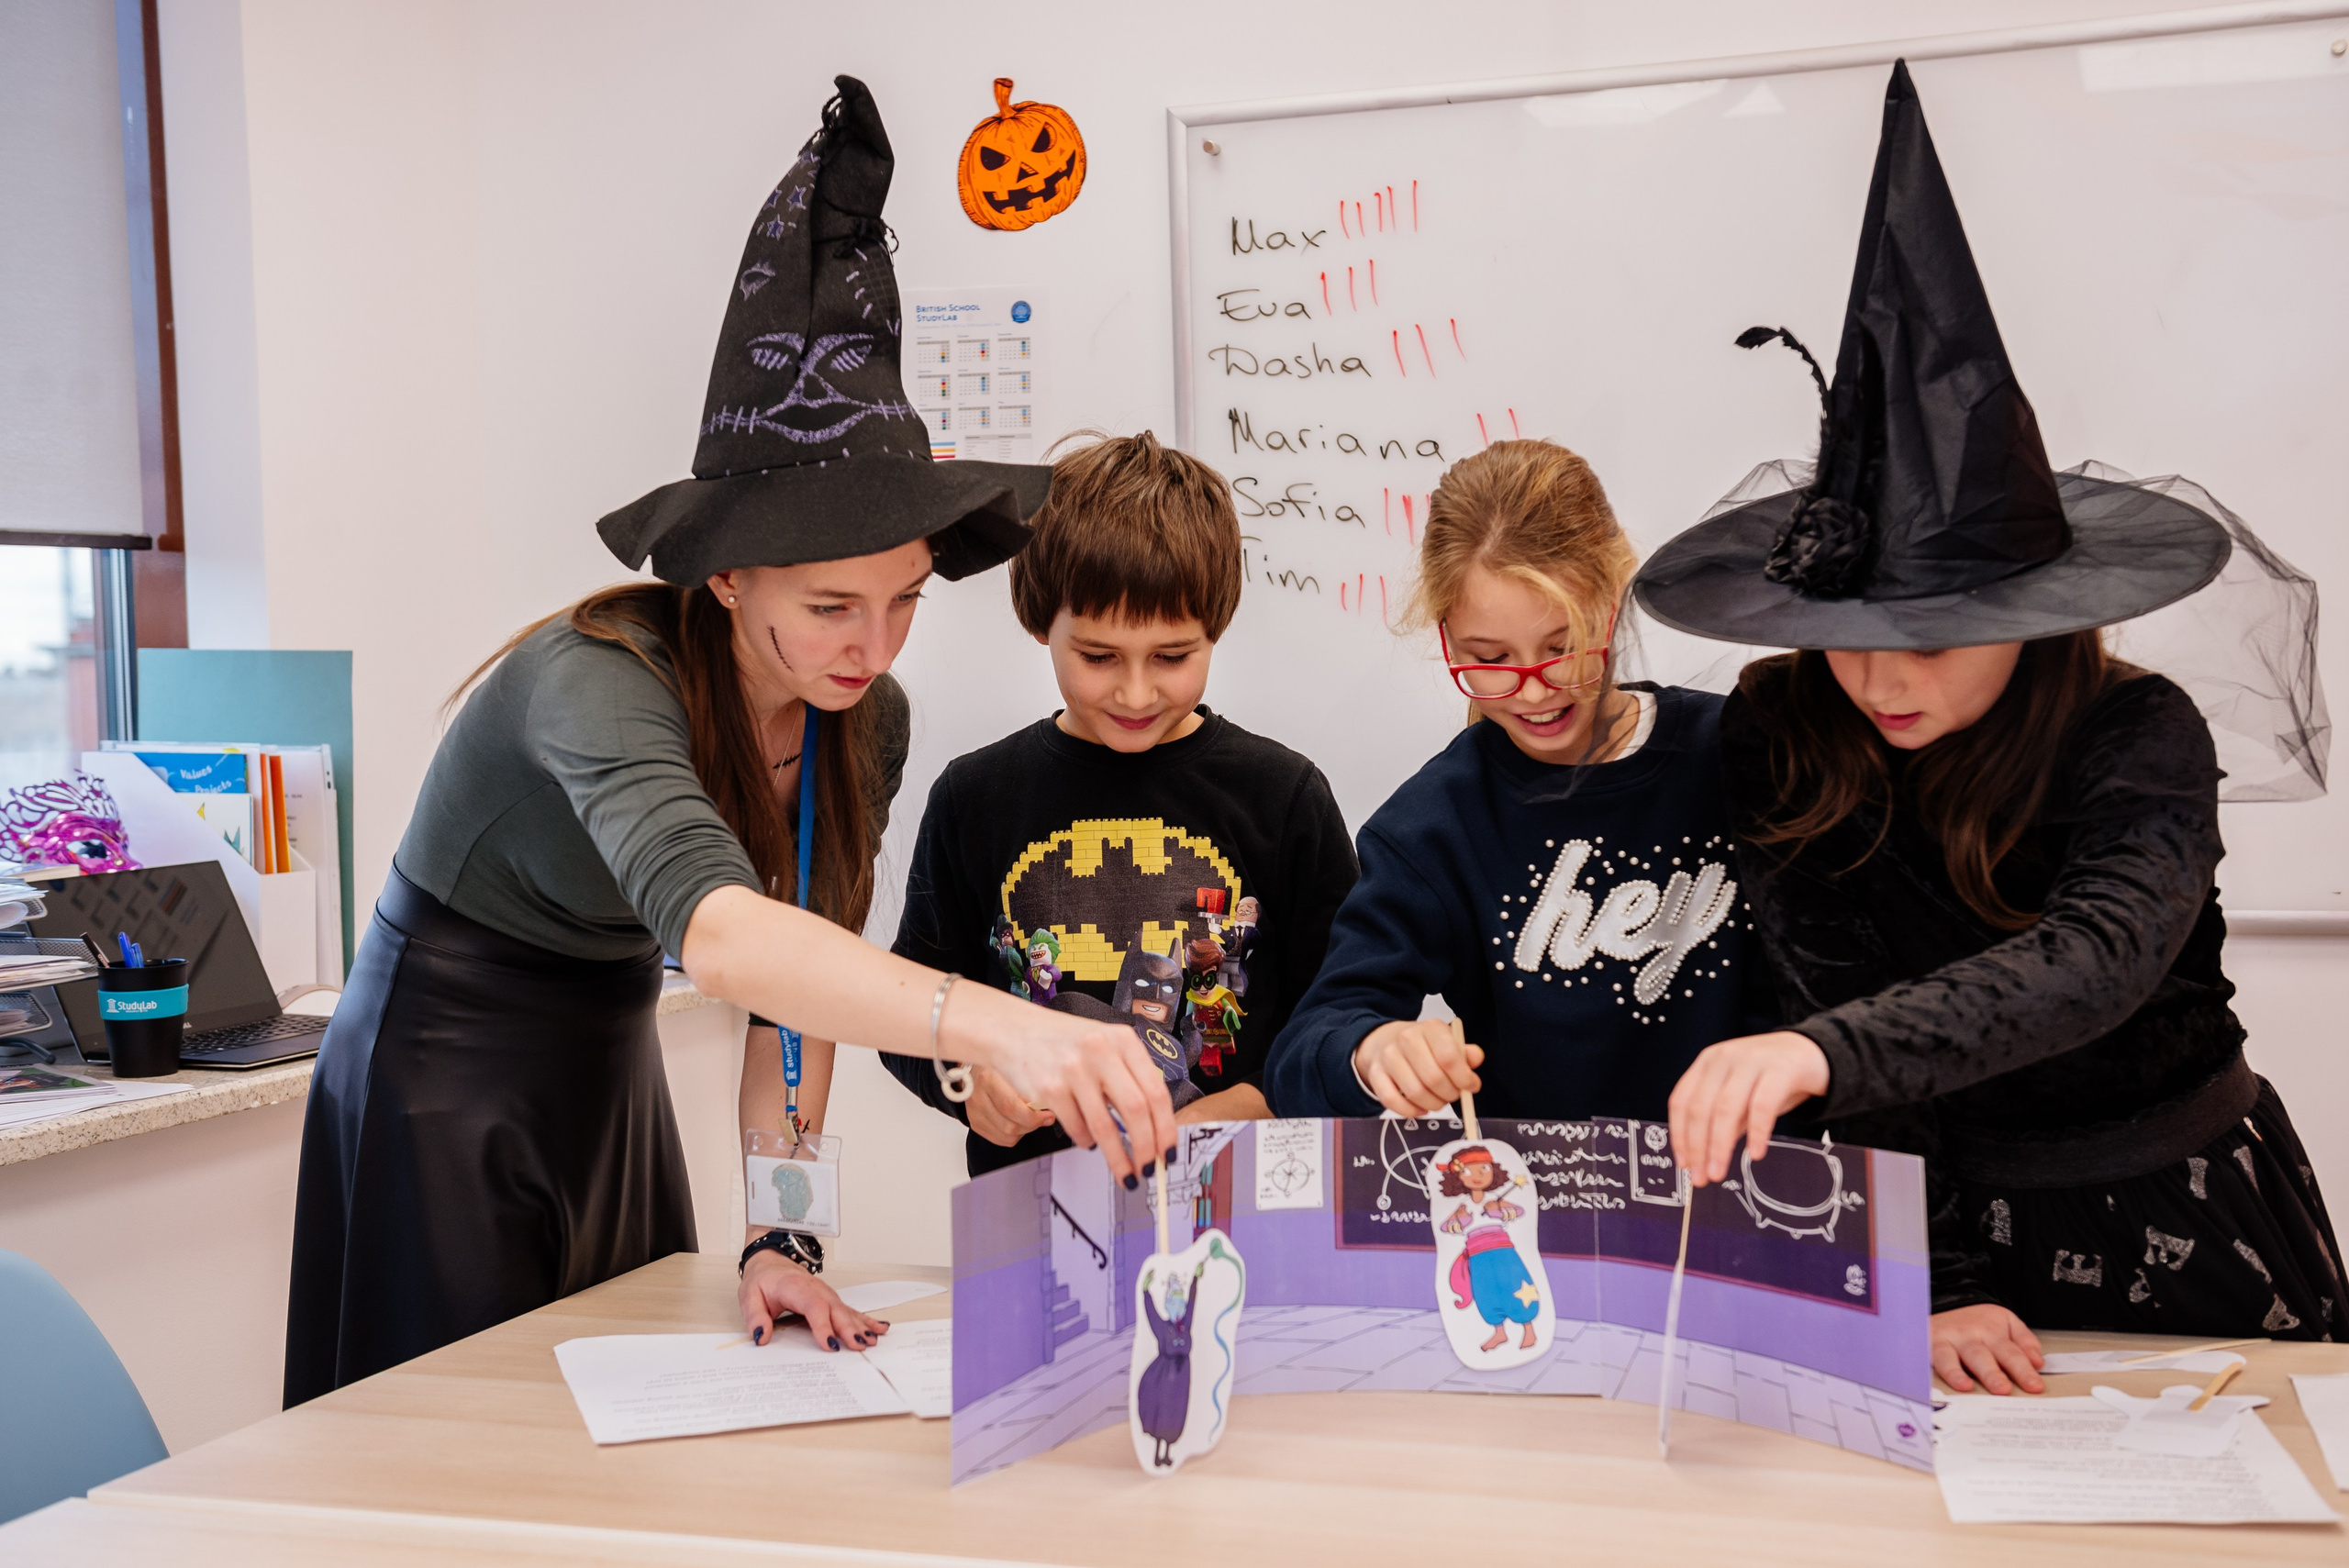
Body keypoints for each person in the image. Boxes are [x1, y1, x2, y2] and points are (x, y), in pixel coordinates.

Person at [284, 79, 1174, 1407]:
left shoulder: (859, 718)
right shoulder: (592, 678)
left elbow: (790, 1004)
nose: (871, 647)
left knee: (620, 1395)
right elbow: (722, 936)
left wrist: (783, 1237)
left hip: (607, 1046)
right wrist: (1004, 1028)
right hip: (441, 1059)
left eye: (903, 600)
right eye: (828, 606)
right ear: (725, 575)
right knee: (452, 1424)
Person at [1637, 61, 2344, 1396]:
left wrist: (1817, 1056)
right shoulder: (1785, 727)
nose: (1876, 681)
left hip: (2184, 1206)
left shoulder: (2136, 728)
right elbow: (1829, 980)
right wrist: (1940, 1274)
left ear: (2031, 615)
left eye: (1930, 640)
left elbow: (2096, 961)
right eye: (1844, 637)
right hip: (1941, 1218)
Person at [885, 433, 1358, 1173]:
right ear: (1039, 619)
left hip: (1244, 1193)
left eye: (1173, 656)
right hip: (1036, 1202)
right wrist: (968, 1081)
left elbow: (1348, 1013)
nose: (1136, 693)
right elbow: (907, 1007)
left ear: (1217, 625)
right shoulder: (974, 798)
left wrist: (1261, 1099)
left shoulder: (1284, 796)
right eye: (1098, 656)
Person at [1264, 439, 1768, 1122]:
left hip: (1754, 1177)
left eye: (1563, 646)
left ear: (1615, 598)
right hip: (1538, 1185)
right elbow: (1303, 1053)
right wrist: (1372, 1050)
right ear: (1447, 635)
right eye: (1491, 658)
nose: (1534, 689)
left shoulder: (1743, 755)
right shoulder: (1435, 825)